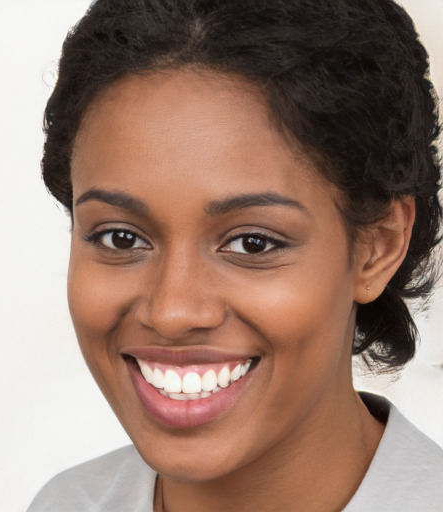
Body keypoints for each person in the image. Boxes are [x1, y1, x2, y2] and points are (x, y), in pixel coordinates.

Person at [27, 0, 443, 510]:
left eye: (253, 243)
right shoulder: (68, 503)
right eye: (121, 238)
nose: (172, 312)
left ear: (378, 247)